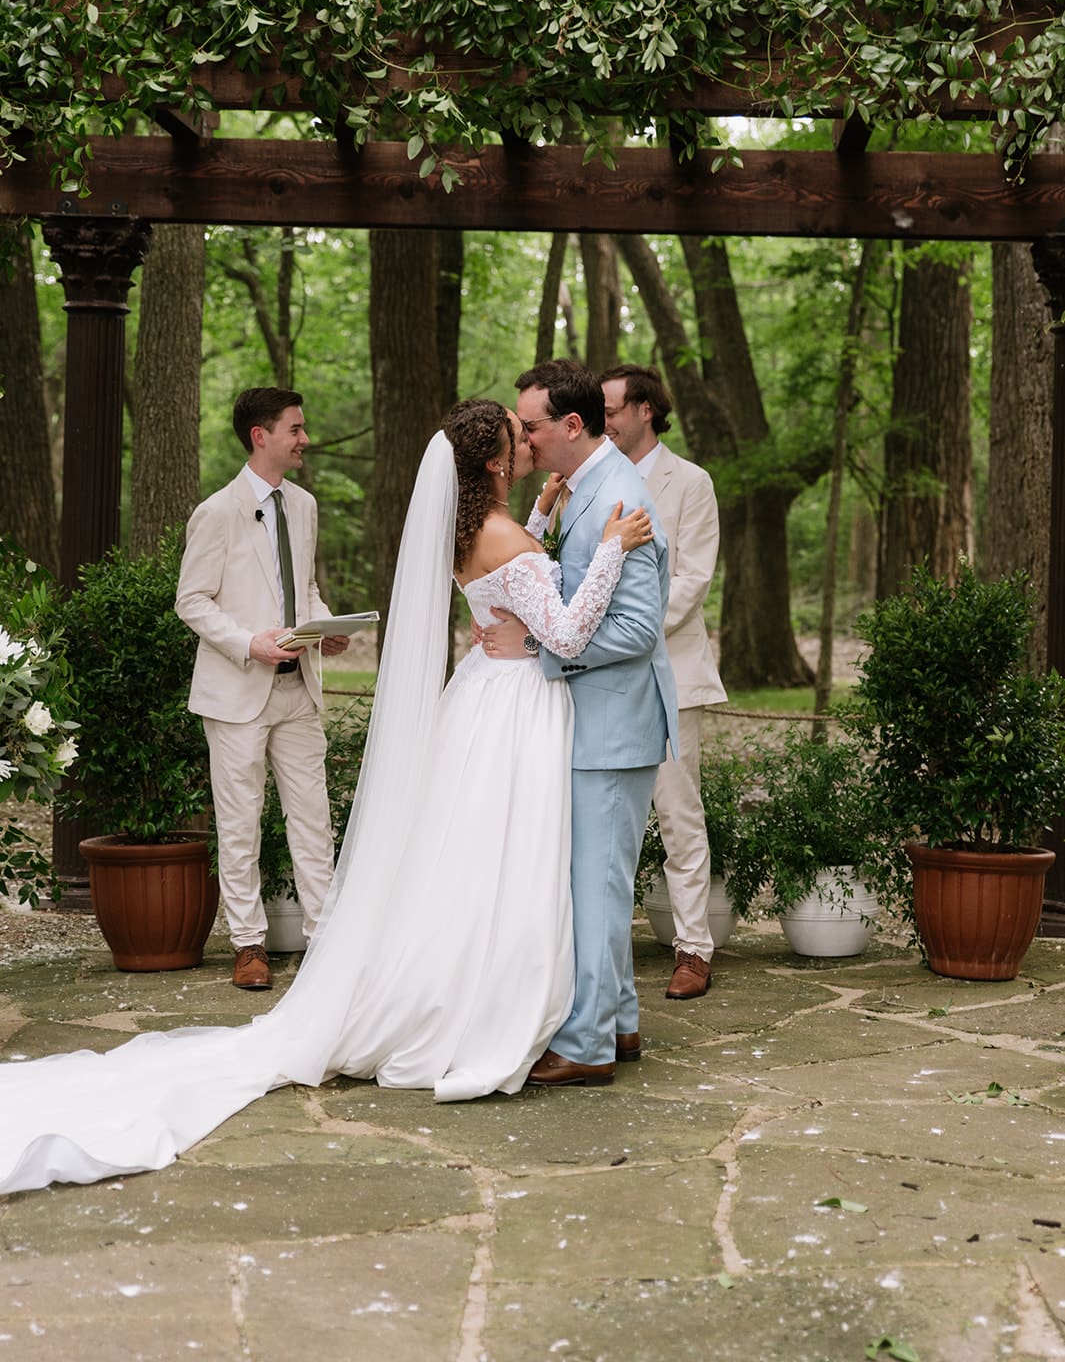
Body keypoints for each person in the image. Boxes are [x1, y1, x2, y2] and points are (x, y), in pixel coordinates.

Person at [0, 399, 652, 1195]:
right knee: (504, 854)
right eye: (518, 441)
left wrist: (543, 527)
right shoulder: (505, 537)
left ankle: (490, 991)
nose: (530, 447)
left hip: (485, 693)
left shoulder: (471, 534)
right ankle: (498, 1001)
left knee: (470, 853)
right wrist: (612, 550)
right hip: (517, 705)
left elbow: (516, 599)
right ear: (492, 462)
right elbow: (571, 632)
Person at [482, 360, 679, 1087]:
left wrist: (536, 647)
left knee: (593, 886)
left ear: (570, 425)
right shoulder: (578, 489)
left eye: (529, 425)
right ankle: (619, 1023)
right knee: (595, 883)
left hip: (612, 725)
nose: (522, 437)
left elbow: (634, 630)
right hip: (589, 720)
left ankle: (588, 1044)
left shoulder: (619, 500)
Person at [175, 387, 350, 991]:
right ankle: (248, 946)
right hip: (237, 693)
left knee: (313, 818)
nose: (305, 439)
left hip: (298, 688)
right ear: (261, 435)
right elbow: (191, 601)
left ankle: (325, 940)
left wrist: (323, 628)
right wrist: (250, 642)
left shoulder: (303, 505)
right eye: (296, 429)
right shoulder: (216, 512)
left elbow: (303, 589)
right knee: (240, 820)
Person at [600, 364, 727, 999]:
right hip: (600, 678)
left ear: (646, 410)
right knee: (605, 817)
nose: (604, 420)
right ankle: (600, 944)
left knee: (679, 815)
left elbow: (693, 580)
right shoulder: (592, 480)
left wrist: (625, 631)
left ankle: (693, 948)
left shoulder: (691, 483)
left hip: (672, 673)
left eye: (613, 409)